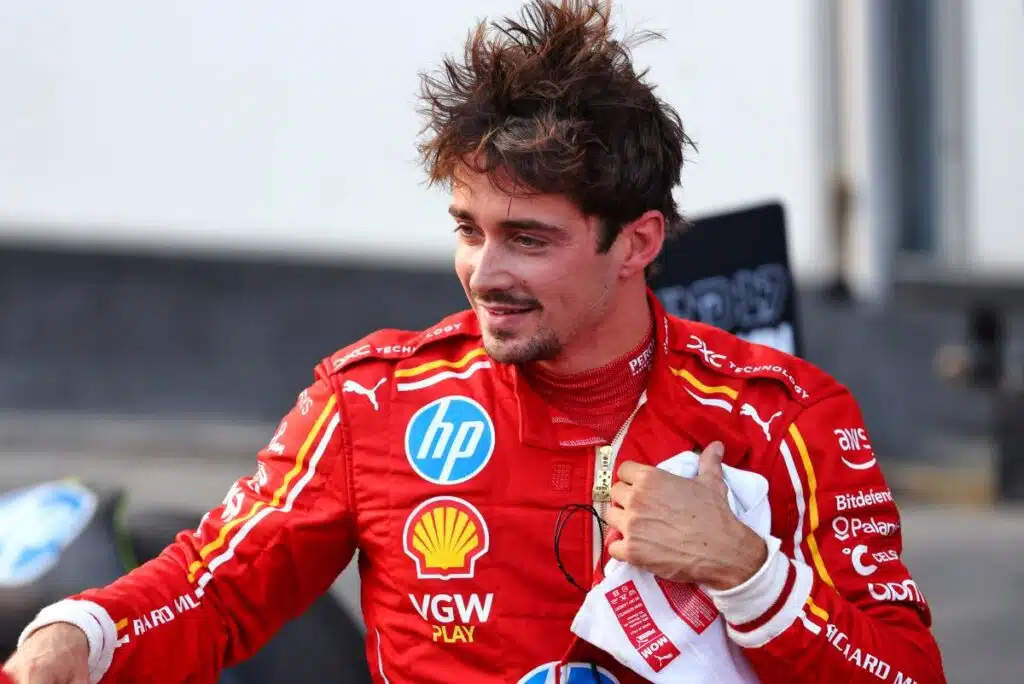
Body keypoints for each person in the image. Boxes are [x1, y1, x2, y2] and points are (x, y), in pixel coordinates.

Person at [5, 1, 946, 682]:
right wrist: (78, 636)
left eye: (528, 239)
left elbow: (905, 671)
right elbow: (216, 587)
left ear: (637, 243)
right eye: (468, 229)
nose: (483, 272)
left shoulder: (787, 417)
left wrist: (749, 575)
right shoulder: (372, 401)